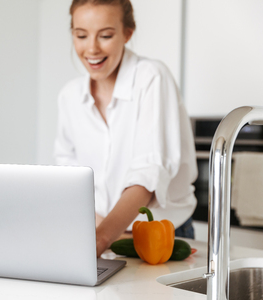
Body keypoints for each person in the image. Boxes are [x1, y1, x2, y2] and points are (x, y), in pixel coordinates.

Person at [54, 0, 198, 257]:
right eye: (81, 35)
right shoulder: (69, 96)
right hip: (99, 234)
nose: (92, 48)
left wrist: (101, 239)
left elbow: (147, 177)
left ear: (127, 33)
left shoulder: (151, 78)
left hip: (159, 237)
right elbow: (70, 178)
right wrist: (102, 234)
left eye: (106, 35)